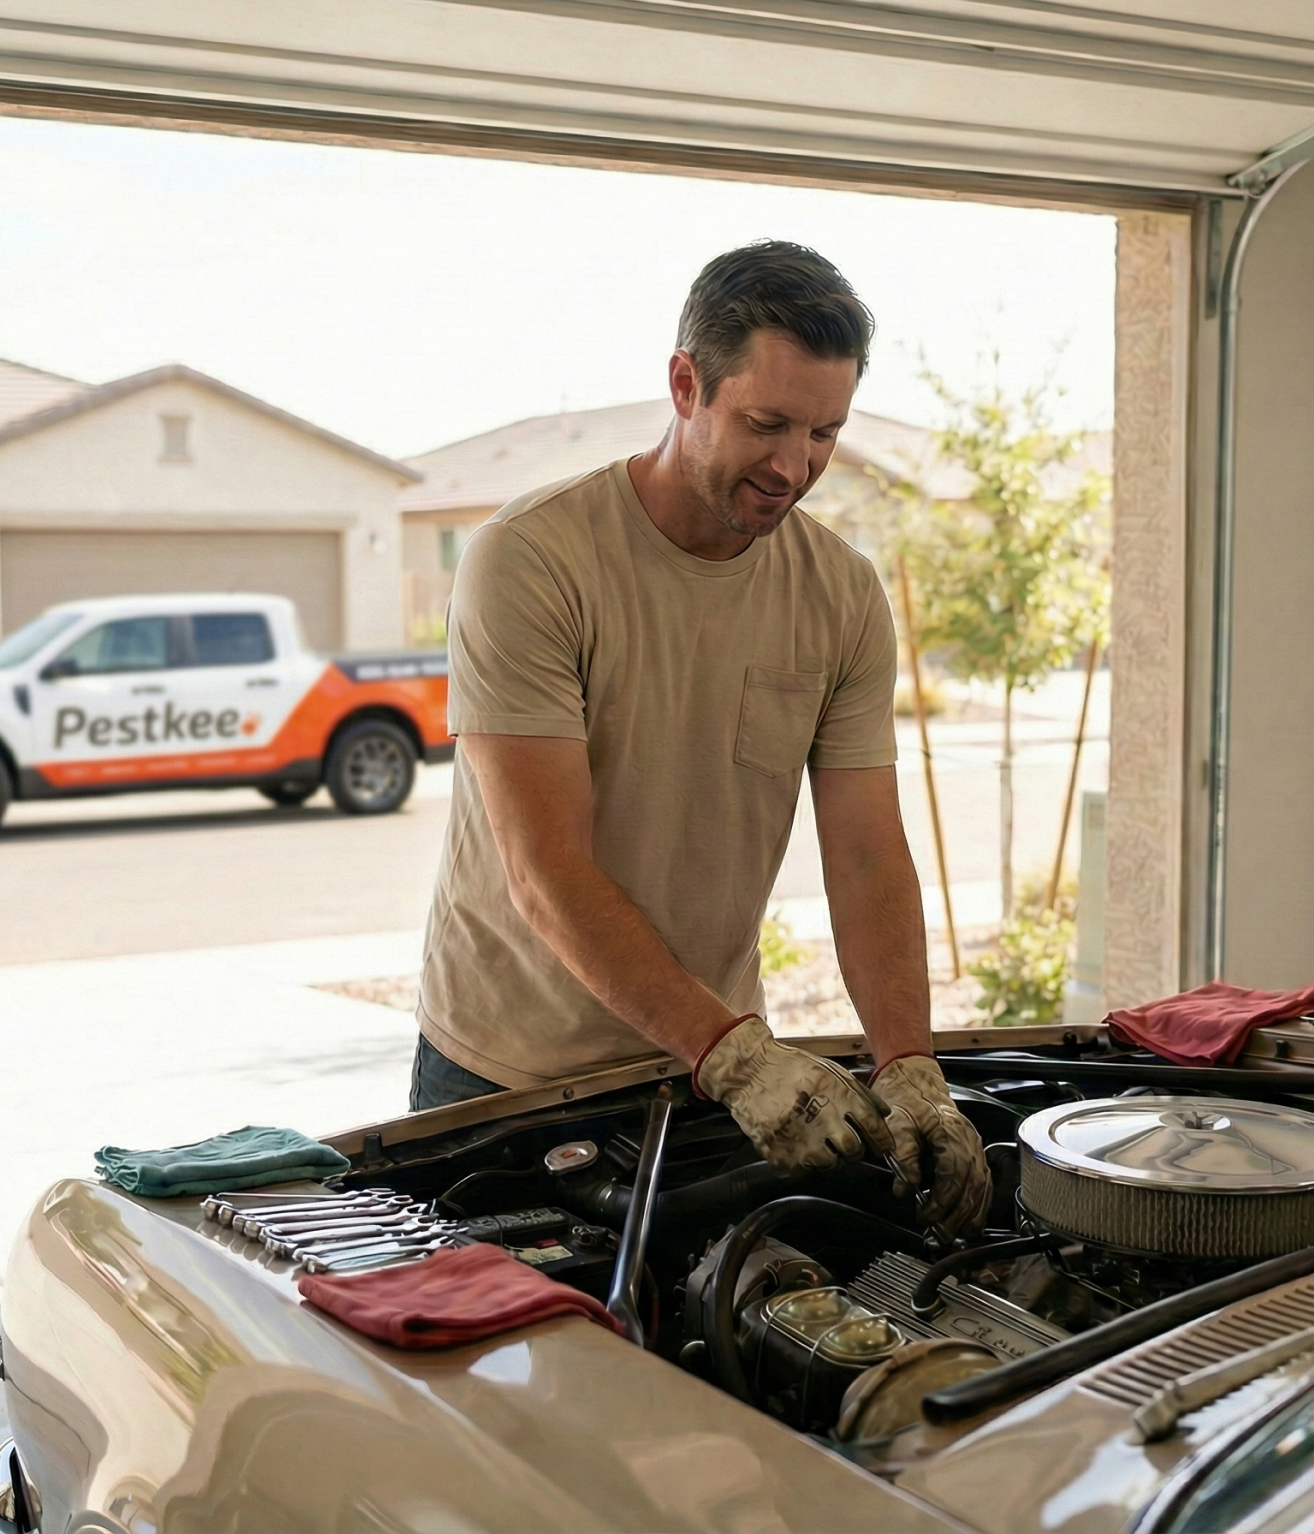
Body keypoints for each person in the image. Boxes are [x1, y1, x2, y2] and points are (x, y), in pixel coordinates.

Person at [411, 240, 989, 1236]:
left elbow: (864, 851)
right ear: (685, 384)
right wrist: (736, 1055)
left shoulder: (840, 594)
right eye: (764, 424)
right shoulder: (531, 559)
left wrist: (908, 1067)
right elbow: (545, 867)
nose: (792, 466)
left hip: (700, 1079)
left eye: (823, 432)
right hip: (505, 1078)